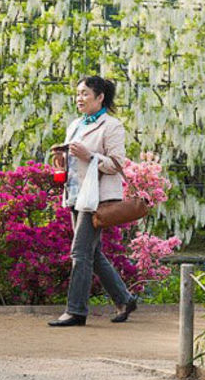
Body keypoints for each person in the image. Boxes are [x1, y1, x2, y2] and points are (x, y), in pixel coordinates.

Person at [48, 76, 139, 327]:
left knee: (79, 253)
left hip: (96, 198)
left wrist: (90, 156)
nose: (79, 98)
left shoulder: (112, 126)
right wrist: (62, 161)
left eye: (85, 93)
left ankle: (76, 311)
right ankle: (124, 299)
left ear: (100, 97)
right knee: (92, 252)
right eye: (77, 93)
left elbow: (117, 164)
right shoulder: (75, 125)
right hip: (76, 195)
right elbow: (75, 163)